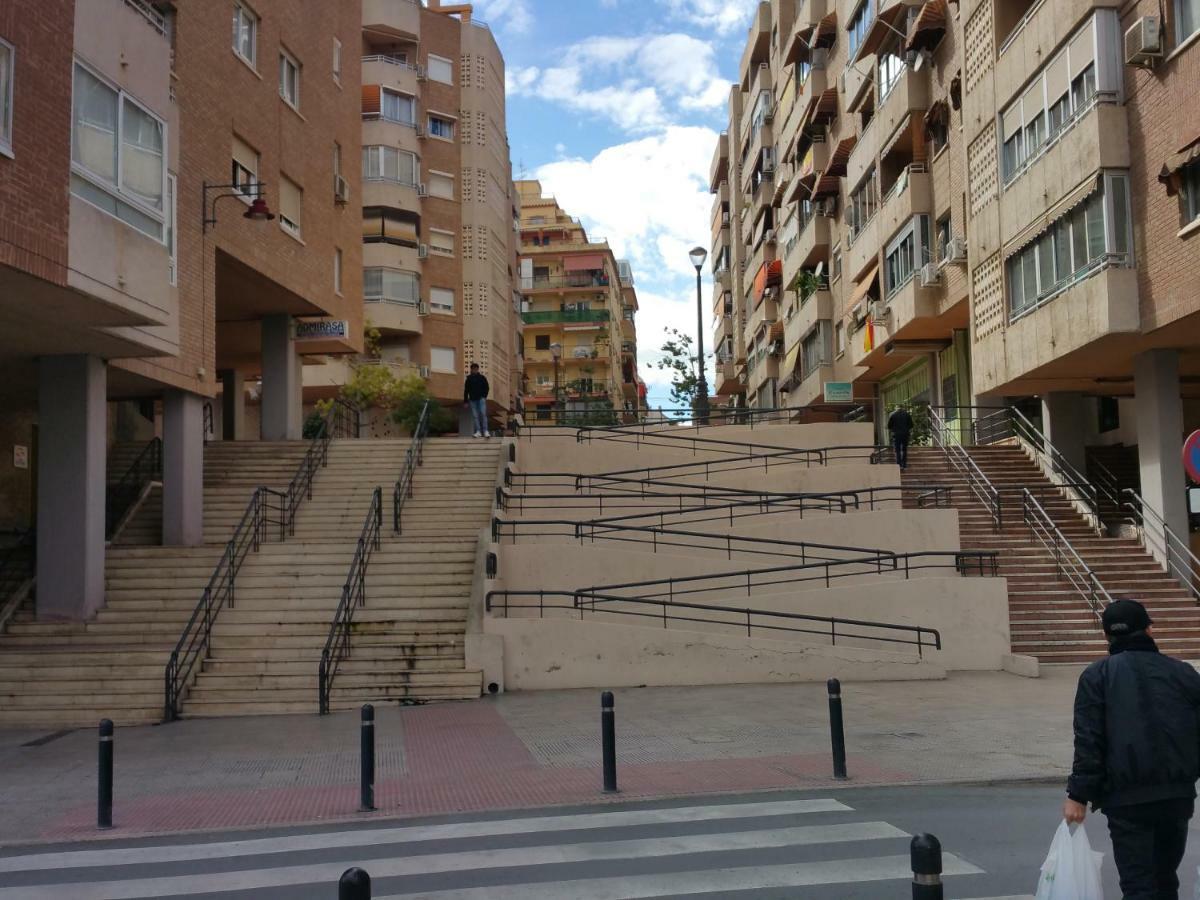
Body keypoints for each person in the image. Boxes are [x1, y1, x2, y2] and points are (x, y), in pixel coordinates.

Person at [1064, 599, 1200, 899]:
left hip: (1127, 802)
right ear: (1150, 629)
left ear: (1107, 637)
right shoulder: (1183, 673)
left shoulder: (1096, 676)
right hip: (1177, 796)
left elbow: (1089, 739)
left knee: (1138, 884)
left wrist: (1078, 795)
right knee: (1165, 880)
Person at [463, 363, 490, 438]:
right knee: (475, 416)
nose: (474, 370)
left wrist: (484, 396)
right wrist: (465, 401)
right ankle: (478, 431)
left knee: (483, 414)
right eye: (473, 369)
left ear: (477, 369)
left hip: (481, 399)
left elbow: (487, 387)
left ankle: (485, 431)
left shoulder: (482, 378)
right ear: (471, 370)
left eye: (476, 369)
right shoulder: (468, 379)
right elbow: (466, 390)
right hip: (472, 400)